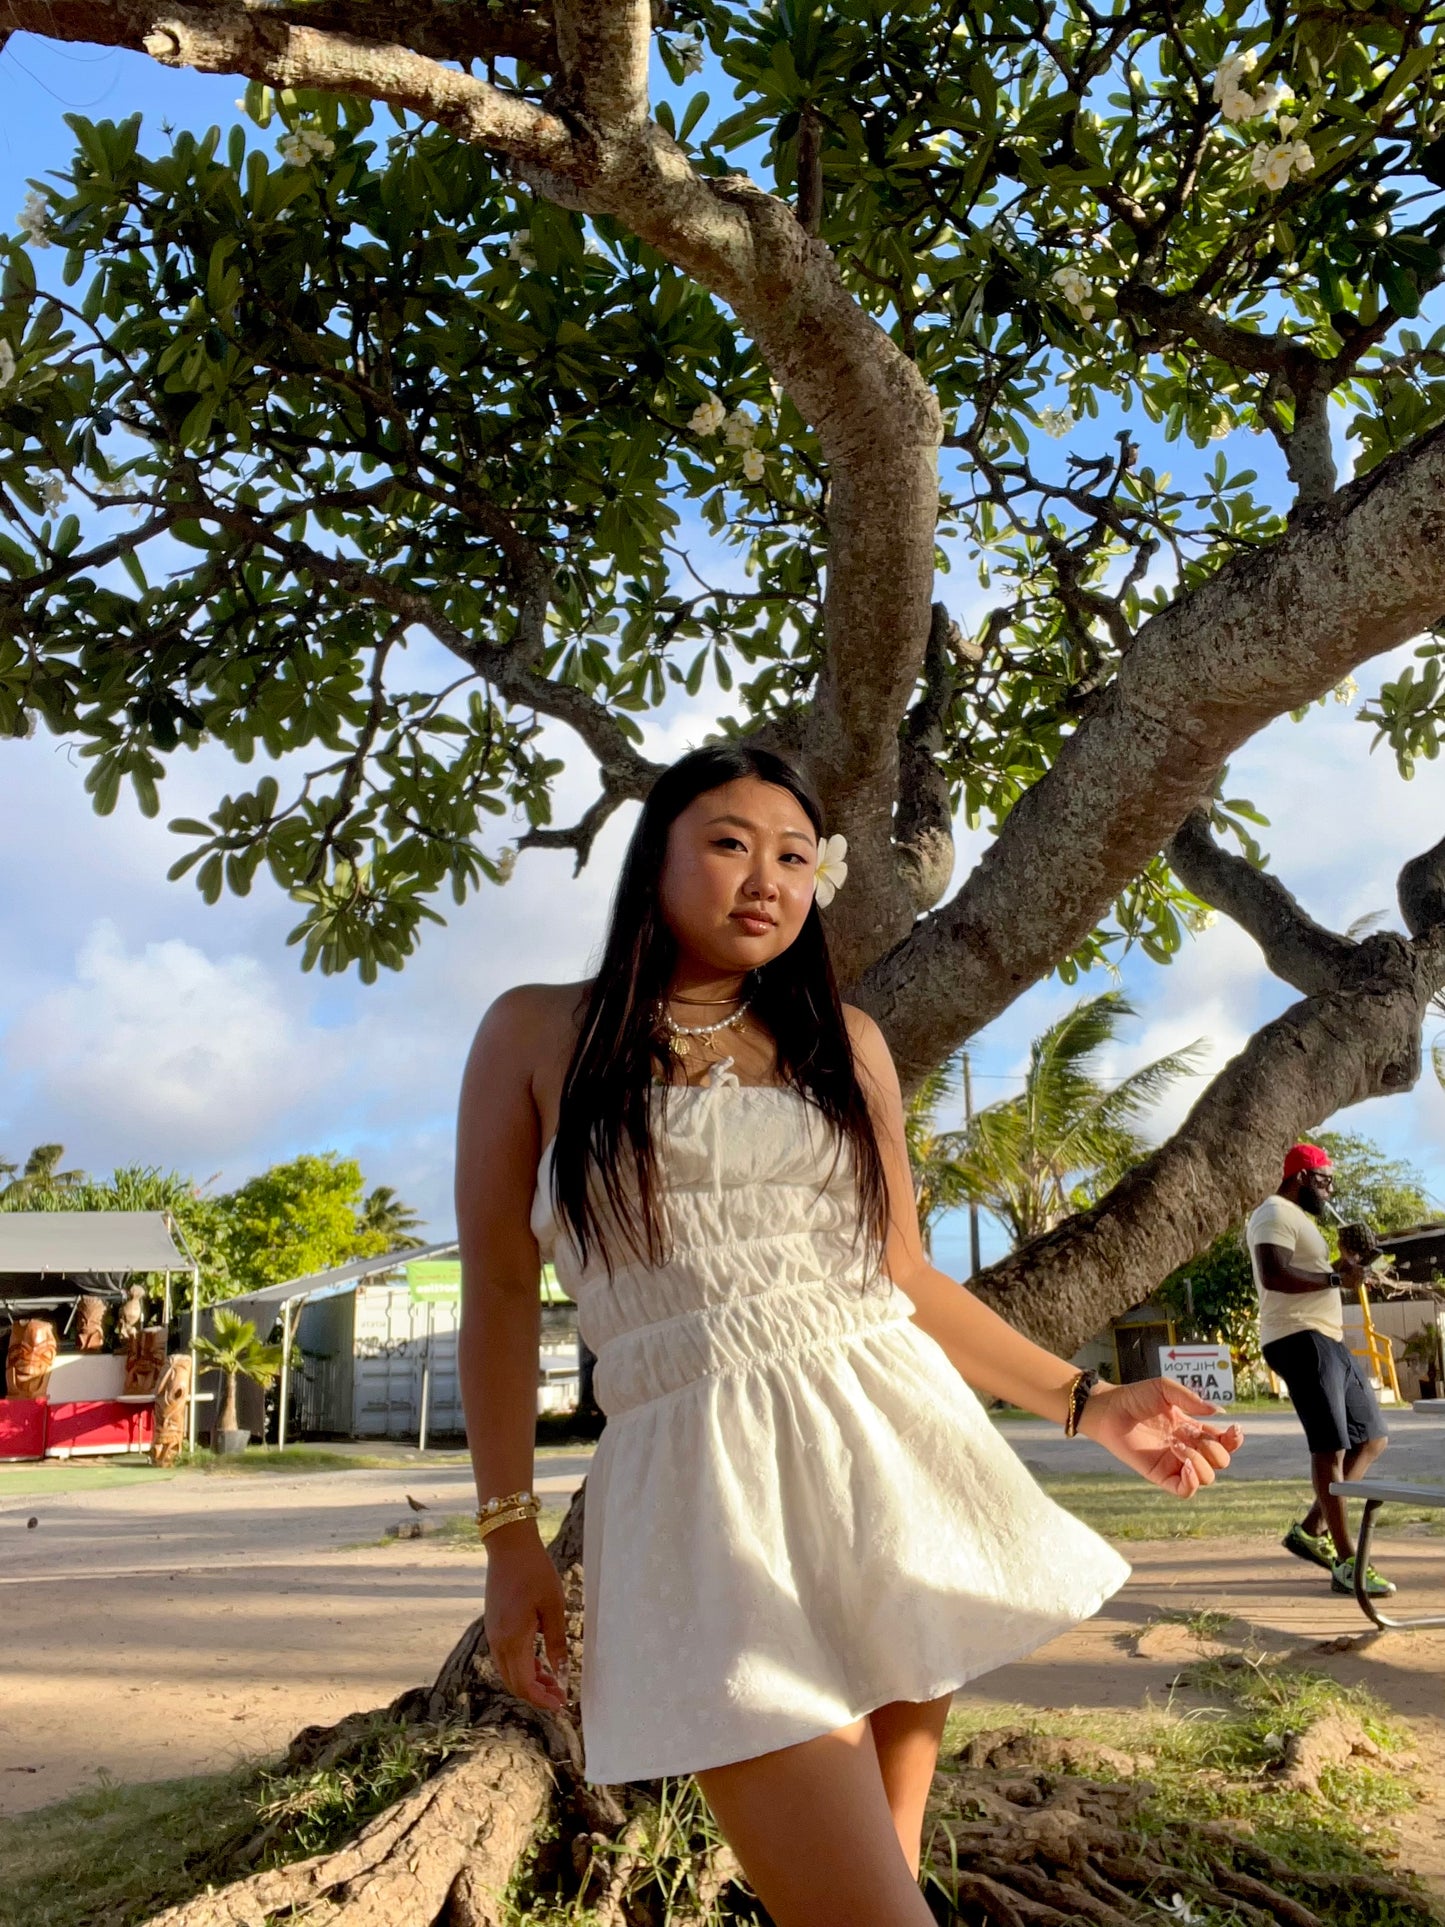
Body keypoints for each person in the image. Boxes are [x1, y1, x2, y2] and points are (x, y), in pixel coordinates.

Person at [456, 744, 1243, 1927]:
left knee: (874, 1888)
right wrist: (510, 1534)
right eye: (727, 843)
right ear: (655, 860)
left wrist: (1087, 1405)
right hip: (700, 1493)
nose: (762, 878)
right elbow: (501, 1295)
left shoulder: (847, 1043)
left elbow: (901, 1275)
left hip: (889, 1464)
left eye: (790, 855)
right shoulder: (536, 1032)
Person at [1248, 1142, 1394, 1598]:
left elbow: (1317, 1276)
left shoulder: (1300, 1222)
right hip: (1298, 1338)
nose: (1331, 1189)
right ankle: (1348, 1563)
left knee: (1372, 1439)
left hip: (1325, 1337)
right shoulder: (1273, 1212)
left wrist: (1350, 1266)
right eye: (1325, 1180)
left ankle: (1311, 1530)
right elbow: (1273, 1274)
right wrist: (1336, 1278)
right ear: (1302, 1178)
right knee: (1329, 1447)